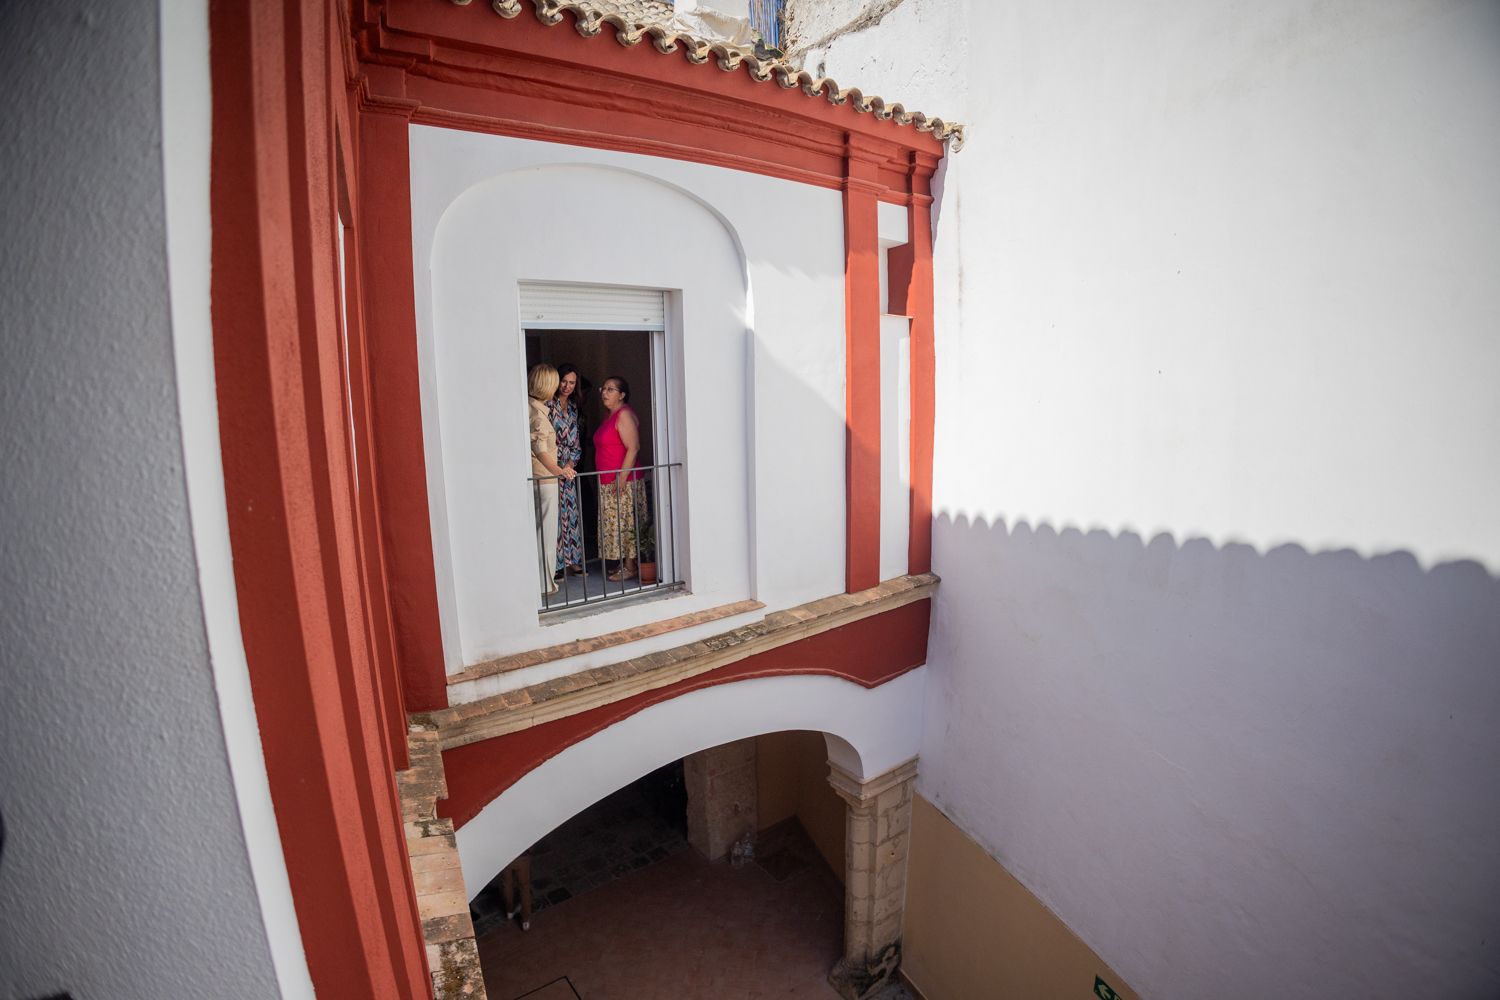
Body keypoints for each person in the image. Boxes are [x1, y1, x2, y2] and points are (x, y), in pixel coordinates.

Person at [526, 364, 575, 596]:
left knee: (539, 533)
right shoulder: (538, 414)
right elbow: (540, 449)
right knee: (545, 535)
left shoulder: (532, 407)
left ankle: (540, 582)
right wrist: (559, 471)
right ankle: (544, 584)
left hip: (539, 479)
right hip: (545, 481)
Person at [592, 375, 645, 582]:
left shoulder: (624, 415)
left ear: (622, 395)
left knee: (626, 522)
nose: (605, 393)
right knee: (617, 523)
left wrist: (622, 478)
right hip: (609, 480)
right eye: (603, 388)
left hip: (622, 481)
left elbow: (634, 448)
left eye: (611, 389)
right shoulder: (611, 416)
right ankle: (625, 564)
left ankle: (630, 566)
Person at [548, 363, 584, 577]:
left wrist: (570, 464)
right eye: (564, 381)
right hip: (551, 465)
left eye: (572, 383)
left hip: (568, 468)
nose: (567, 386)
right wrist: (558, 466)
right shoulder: (547, 405)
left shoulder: (572, 407)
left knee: (571, 515)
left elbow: (576, 441)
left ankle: (573, 560)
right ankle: (557, 563)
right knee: (555, 515)